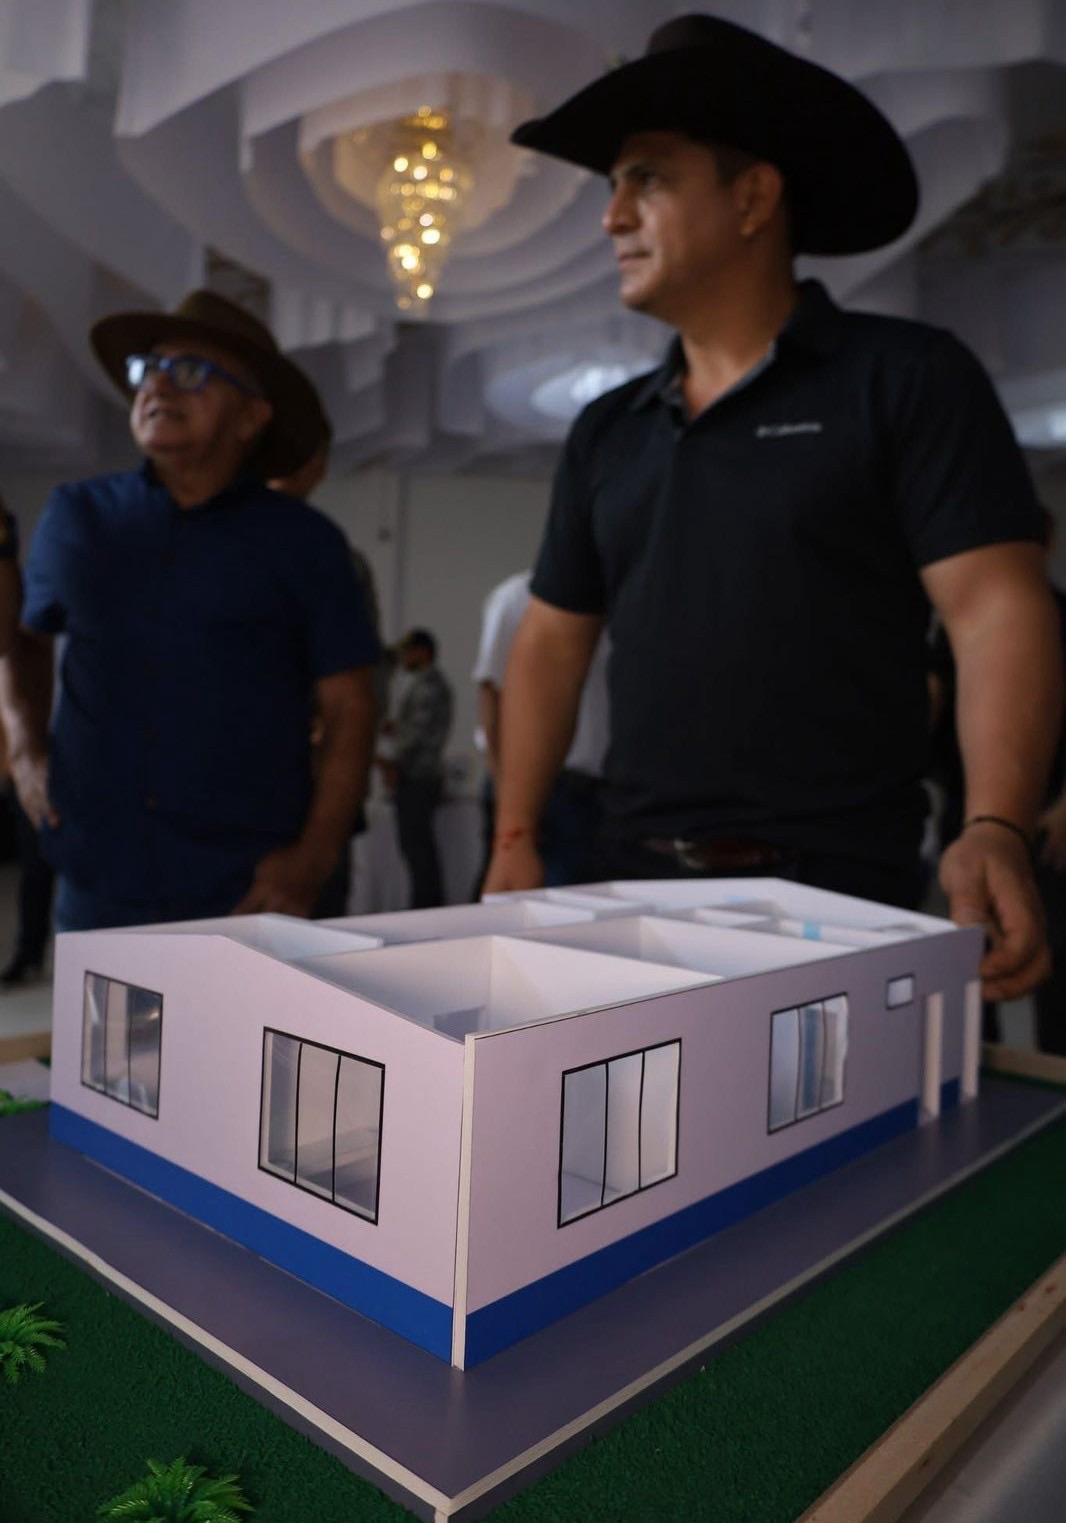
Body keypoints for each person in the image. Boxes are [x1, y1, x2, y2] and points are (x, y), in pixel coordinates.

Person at [485, 13, 1063, 1003]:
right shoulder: (607, 430)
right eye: (612, 186)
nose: (611, 217)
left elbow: (994, 606)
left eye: (646, 179)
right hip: (624, 882)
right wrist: (514, 836)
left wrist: (996, 823)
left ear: (753, 197)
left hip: (838, 892)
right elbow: (550, 638)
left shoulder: (903, 379)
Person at [1, 290, 379, 931]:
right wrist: (24, 747)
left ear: (251, 417)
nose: (159, 384)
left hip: (248, 883)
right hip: (98, 872)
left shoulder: (306, 544)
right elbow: (26, 642)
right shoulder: (78, 515)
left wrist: (315, 856)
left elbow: (350, 707)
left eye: (191, 371)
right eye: (148, 368)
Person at [473, 569, 608, 888]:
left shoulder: (617, 595)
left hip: (604, 789)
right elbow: (491, 694)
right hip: (544, 785)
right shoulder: (516, 597)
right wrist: (509, 801)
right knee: (537, 893)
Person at [380, 628, 452, 908]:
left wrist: (389, 759)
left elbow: (417, 736)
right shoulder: (424, 684)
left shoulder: (429, 686)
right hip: (418, 775)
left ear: (423, 652)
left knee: (418, 850)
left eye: (408, 652)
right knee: (417, 849)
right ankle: (427, 905)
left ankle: (426, 907)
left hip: (417, 777)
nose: (404, 659)